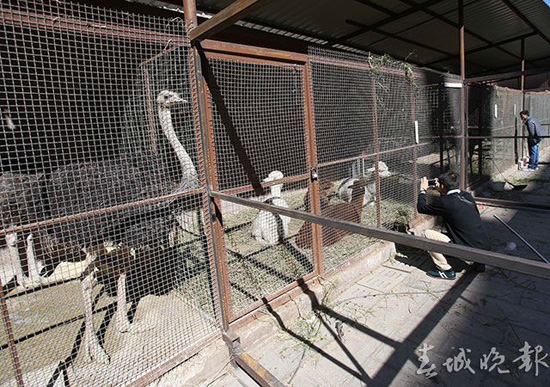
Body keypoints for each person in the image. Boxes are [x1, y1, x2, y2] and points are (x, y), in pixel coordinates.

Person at [417, 171, 489, 280]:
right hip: (483, 248)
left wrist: (422, 191)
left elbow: (421, 208)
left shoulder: (445, 202)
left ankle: (446, 270)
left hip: (466, 251)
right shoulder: (467, 196)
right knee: (465, 230)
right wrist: (442, 189)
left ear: (442, 186)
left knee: (427, 234)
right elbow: (449, 201)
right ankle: (479, 263)